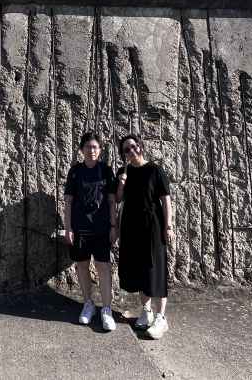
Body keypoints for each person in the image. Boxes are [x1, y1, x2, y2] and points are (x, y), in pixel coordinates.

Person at [116, 134, 174, 339]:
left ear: (140, 146)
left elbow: (166, 200)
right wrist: (121, 184)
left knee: (155, 268)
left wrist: (168, 226)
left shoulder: (155, 170)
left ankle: (161, 317)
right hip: (132, 226)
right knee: (140, 269)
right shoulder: (124, 171)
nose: (131, 151)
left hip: (153, 225)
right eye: (126, 150)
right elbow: (118, 199)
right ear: (123, 154)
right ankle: (147, 311)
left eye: (133, 147)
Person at [64, 131, 118, 331]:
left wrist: (114, 226)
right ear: (81, 150)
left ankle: (106, 309)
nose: (92, 150)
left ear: (100, 150)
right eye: (88, 147)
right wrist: (68, 228)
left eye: (95, 147)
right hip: (80, 228)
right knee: (82, 266)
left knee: (104, 267)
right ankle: (88, 304)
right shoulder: (75, 171)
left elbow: (112, 201)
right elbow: (68, 202)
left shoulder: (106, 171)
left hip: (102, 228)